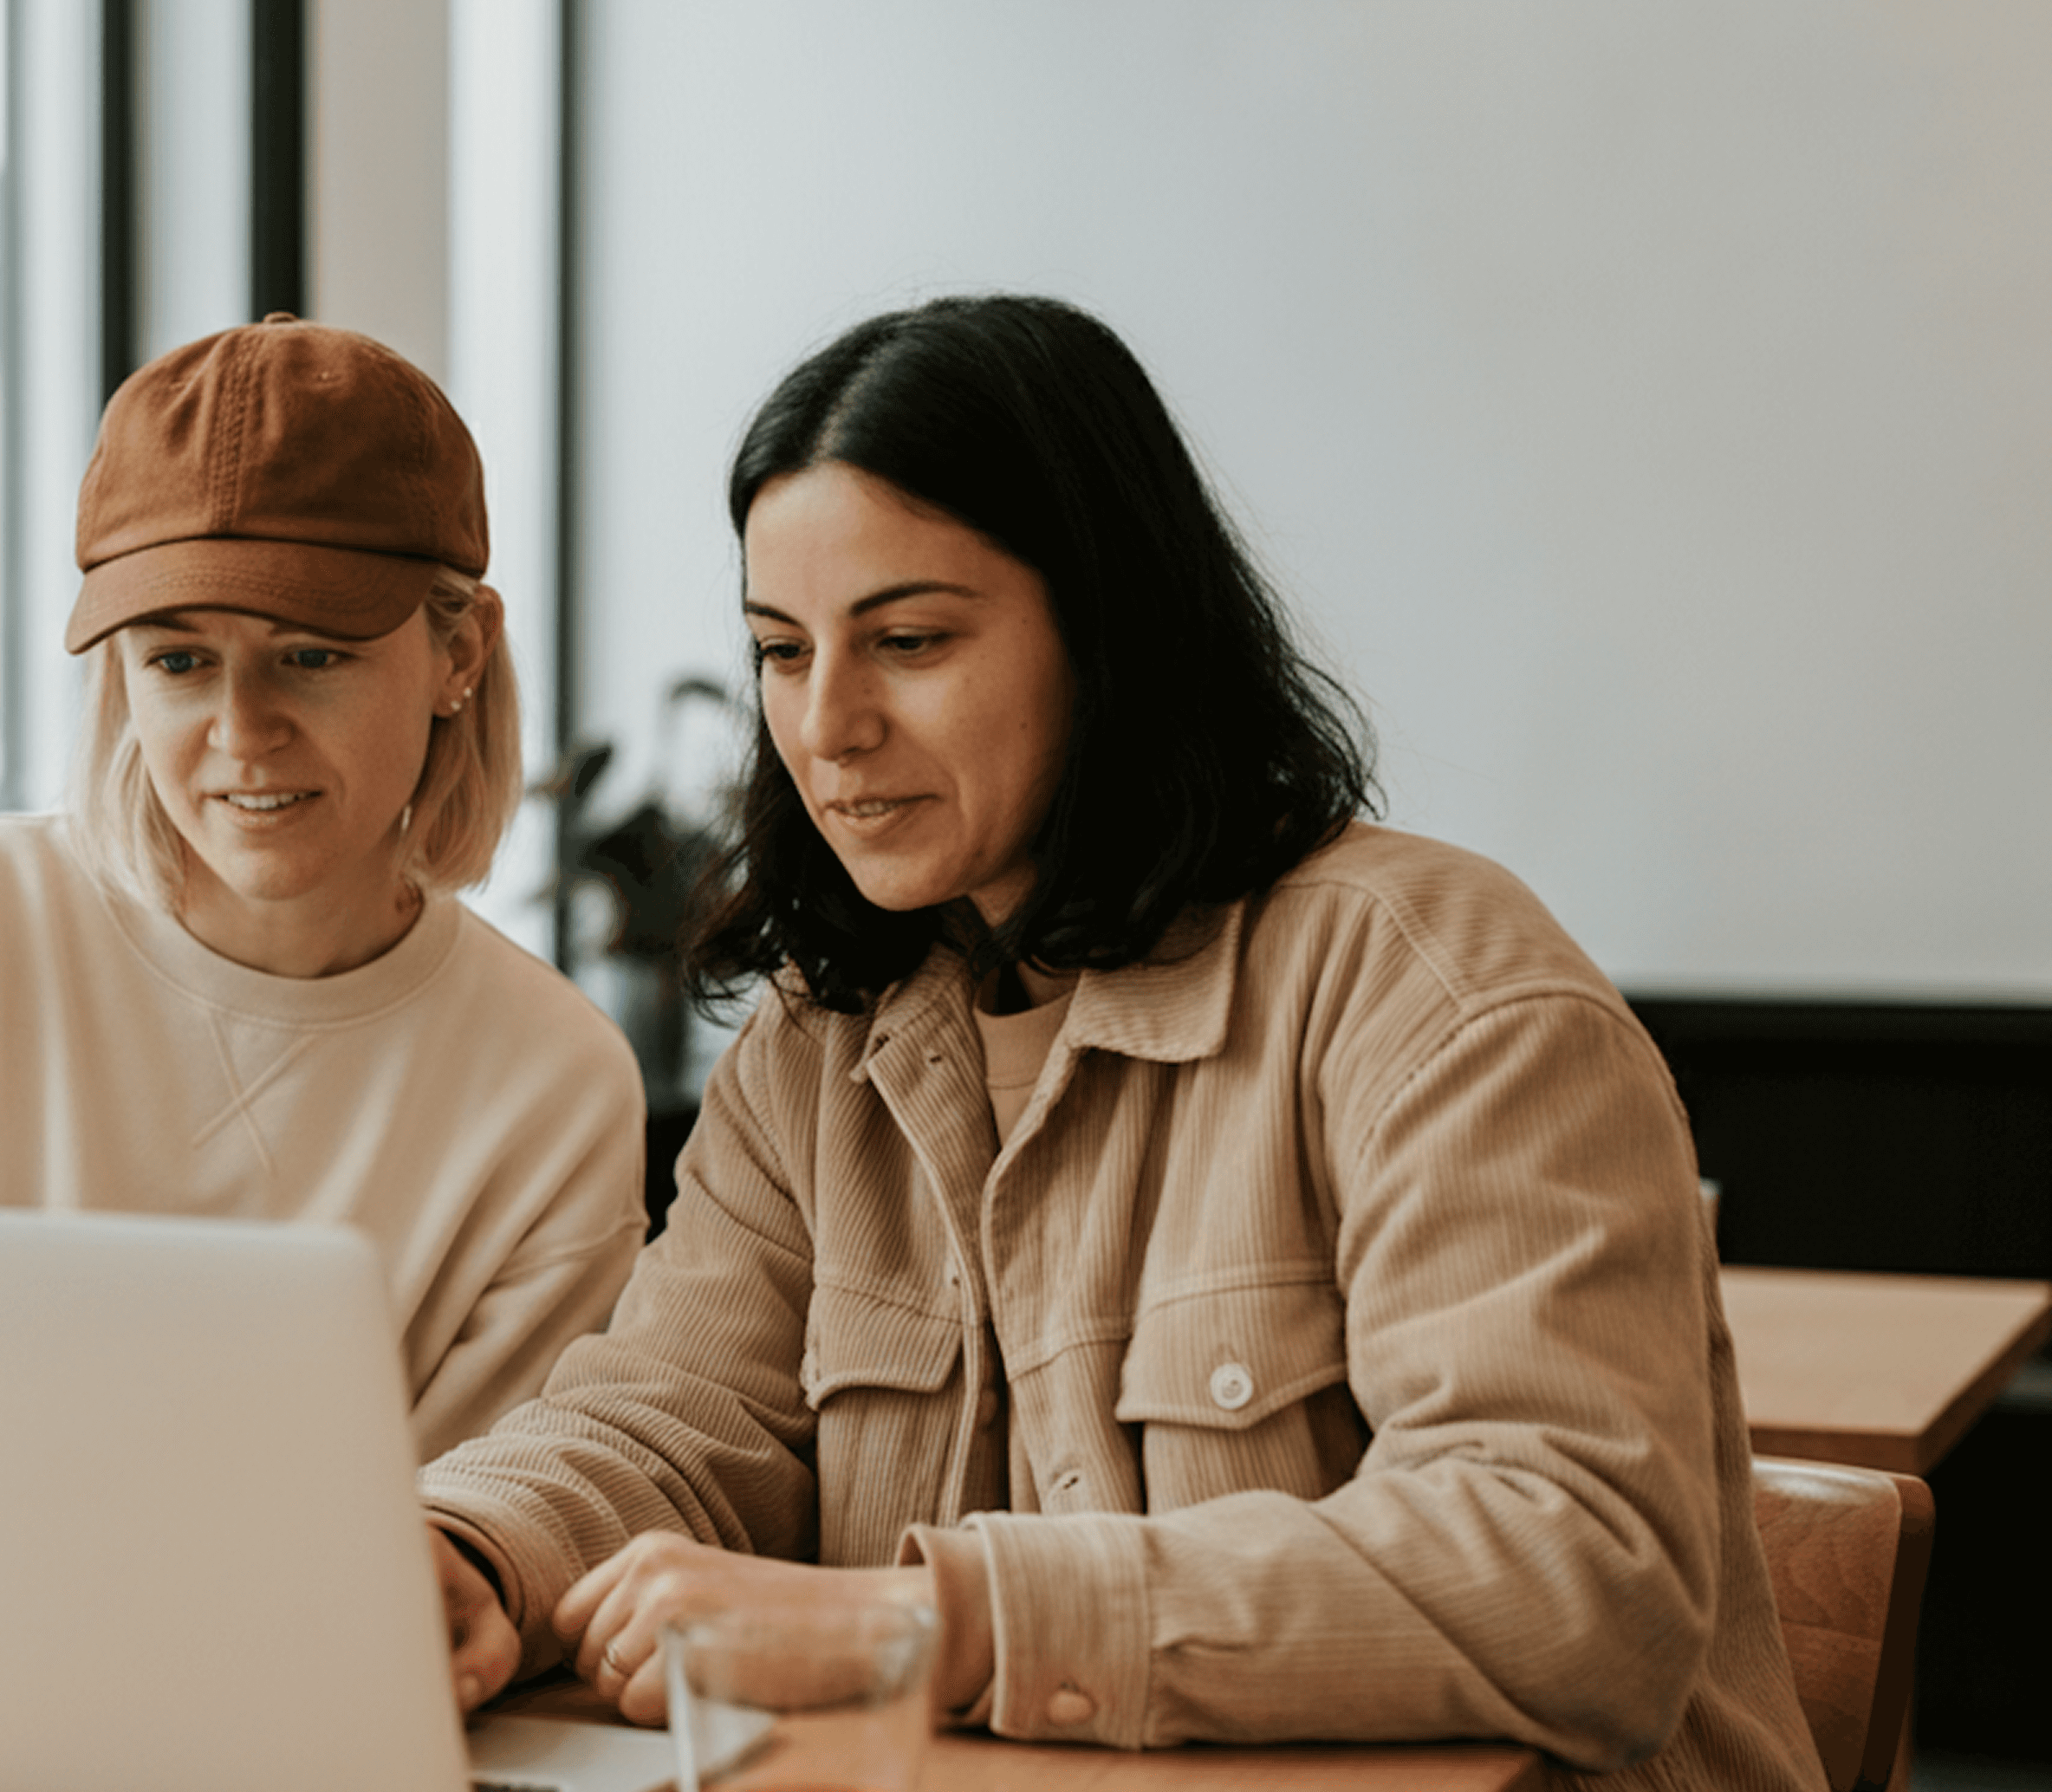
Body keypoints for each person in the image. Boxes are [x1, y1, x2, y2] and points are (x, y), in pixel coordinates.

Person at [421, 295, 1820, 1788]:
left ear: (1108, 634)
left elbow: (1571, 1570)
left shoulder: (1441, 993)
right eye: (780, 650)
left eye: (907, 640)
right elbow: (672, 1417)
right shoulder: (816, 1045)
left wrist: (941, 1623)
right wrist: (472, 1554)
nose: (825, 724)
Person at [0, 315, 649, 1461]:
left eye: (311, 654)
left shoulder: (553, 1086)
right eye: (179, 660)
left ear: (459, 653)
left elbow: (447, 1559)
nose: (241, 733)